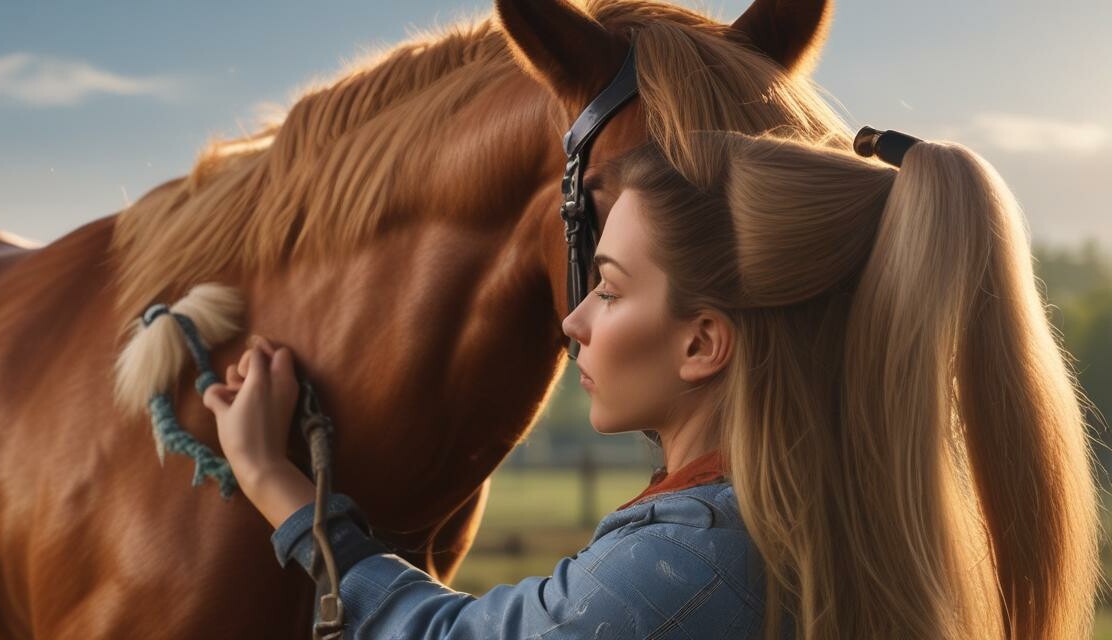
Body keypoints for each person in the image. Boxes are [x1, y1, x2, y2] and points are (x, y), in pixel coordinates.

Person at [202, 130, 1099, 639]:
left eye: (612, 287)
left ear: (704, 342)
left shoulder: (700, 563)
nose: (575, 320)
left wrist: (278, 484)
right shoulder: (832, 519)